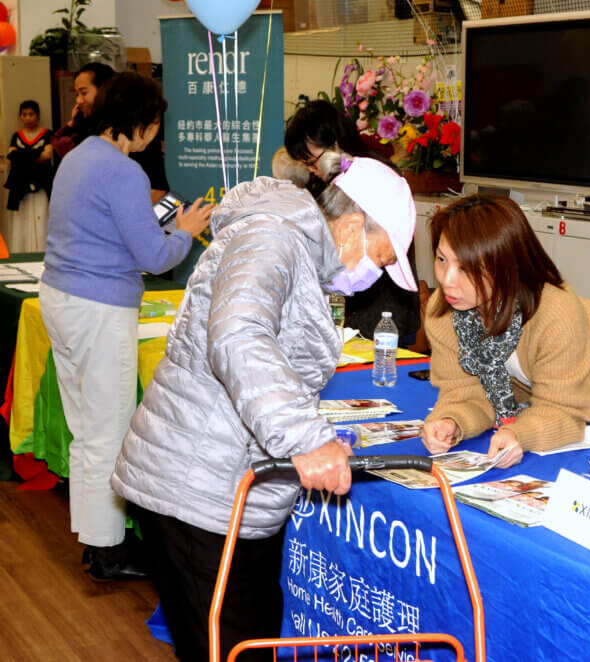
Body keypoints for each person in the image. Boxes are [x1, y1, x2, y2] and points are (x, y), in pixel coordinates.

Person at [111, 152, 417, 661]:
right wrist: (308, 438)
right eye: (382, 259)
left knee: (248, 642)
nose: (375, 276)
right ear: (354, 224)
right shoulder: (273, 236)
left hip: (232, 493)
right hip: (198, 489)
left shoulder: (295, 248)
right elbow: (237, 333)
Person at [39, 72, 213, 582]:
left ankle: (97, 543)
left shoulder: (77, 155)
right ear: (141, 122)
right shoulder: (124, 172)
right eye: (155, 124)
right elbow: (156, 258)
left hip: (61, 298)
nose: (155, 134)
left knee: (86, 429)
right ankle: (109, 553)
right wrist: (185, 231)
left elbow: (104, 231)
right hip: (99, 308)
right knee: (109, 430)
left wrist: (163, 229)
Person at [421, 195, 590, 467]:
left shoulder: (555, 311)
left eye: (466, 268)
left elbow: (565, 411)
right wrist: (451, 421)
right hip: (537, 398)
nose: (446, 280)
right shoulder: (444, 311)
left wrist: (519, 432)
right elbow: (466, 392)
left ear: (504, 265)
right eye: (442, 259)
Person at [284, 99, 421, 342]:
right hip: (347, 316)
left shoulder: (377, 179)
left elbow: (380, 254)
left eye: (313, 161)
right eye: (305, 164)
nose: (312, 169)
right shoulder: (328, 184)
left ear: (335, 142)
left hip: (381, 315)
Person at [51, 62, 169, 203]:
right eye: (77, 94)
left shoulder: (80, 154)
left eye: (84, 92)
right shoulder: (126, 169)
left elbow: (157, 186)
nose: (79, 100)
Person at [3, 100, 53, 252]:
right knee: (22, 222)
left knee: (42, 218)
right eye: (24, 114)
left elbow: (46, 156)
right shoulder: (16, 136)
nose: (27, 118)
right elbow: (10, 156)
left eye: (31, 114)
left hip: (41, 185)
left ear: (37, 116)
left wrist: (21, 155)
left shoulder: (48, 134)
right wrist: (35, 154)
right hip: (20, 188)